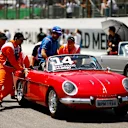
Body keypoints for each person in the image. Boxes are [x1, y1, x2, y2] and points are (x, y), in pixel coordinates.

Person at [0, 33, 25, 106]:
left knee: (10, 88)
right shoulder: (9, 47)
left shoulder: (18, 47)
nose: (22, 42)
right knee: (1, 83)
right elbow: (12, 61)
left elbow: (19, 59)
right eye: (21, 40)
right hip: (3, 67)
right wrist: (21, 68)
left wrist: (23, 67)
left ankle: (0, 97)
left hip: (10, 69)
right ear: (16, 39)